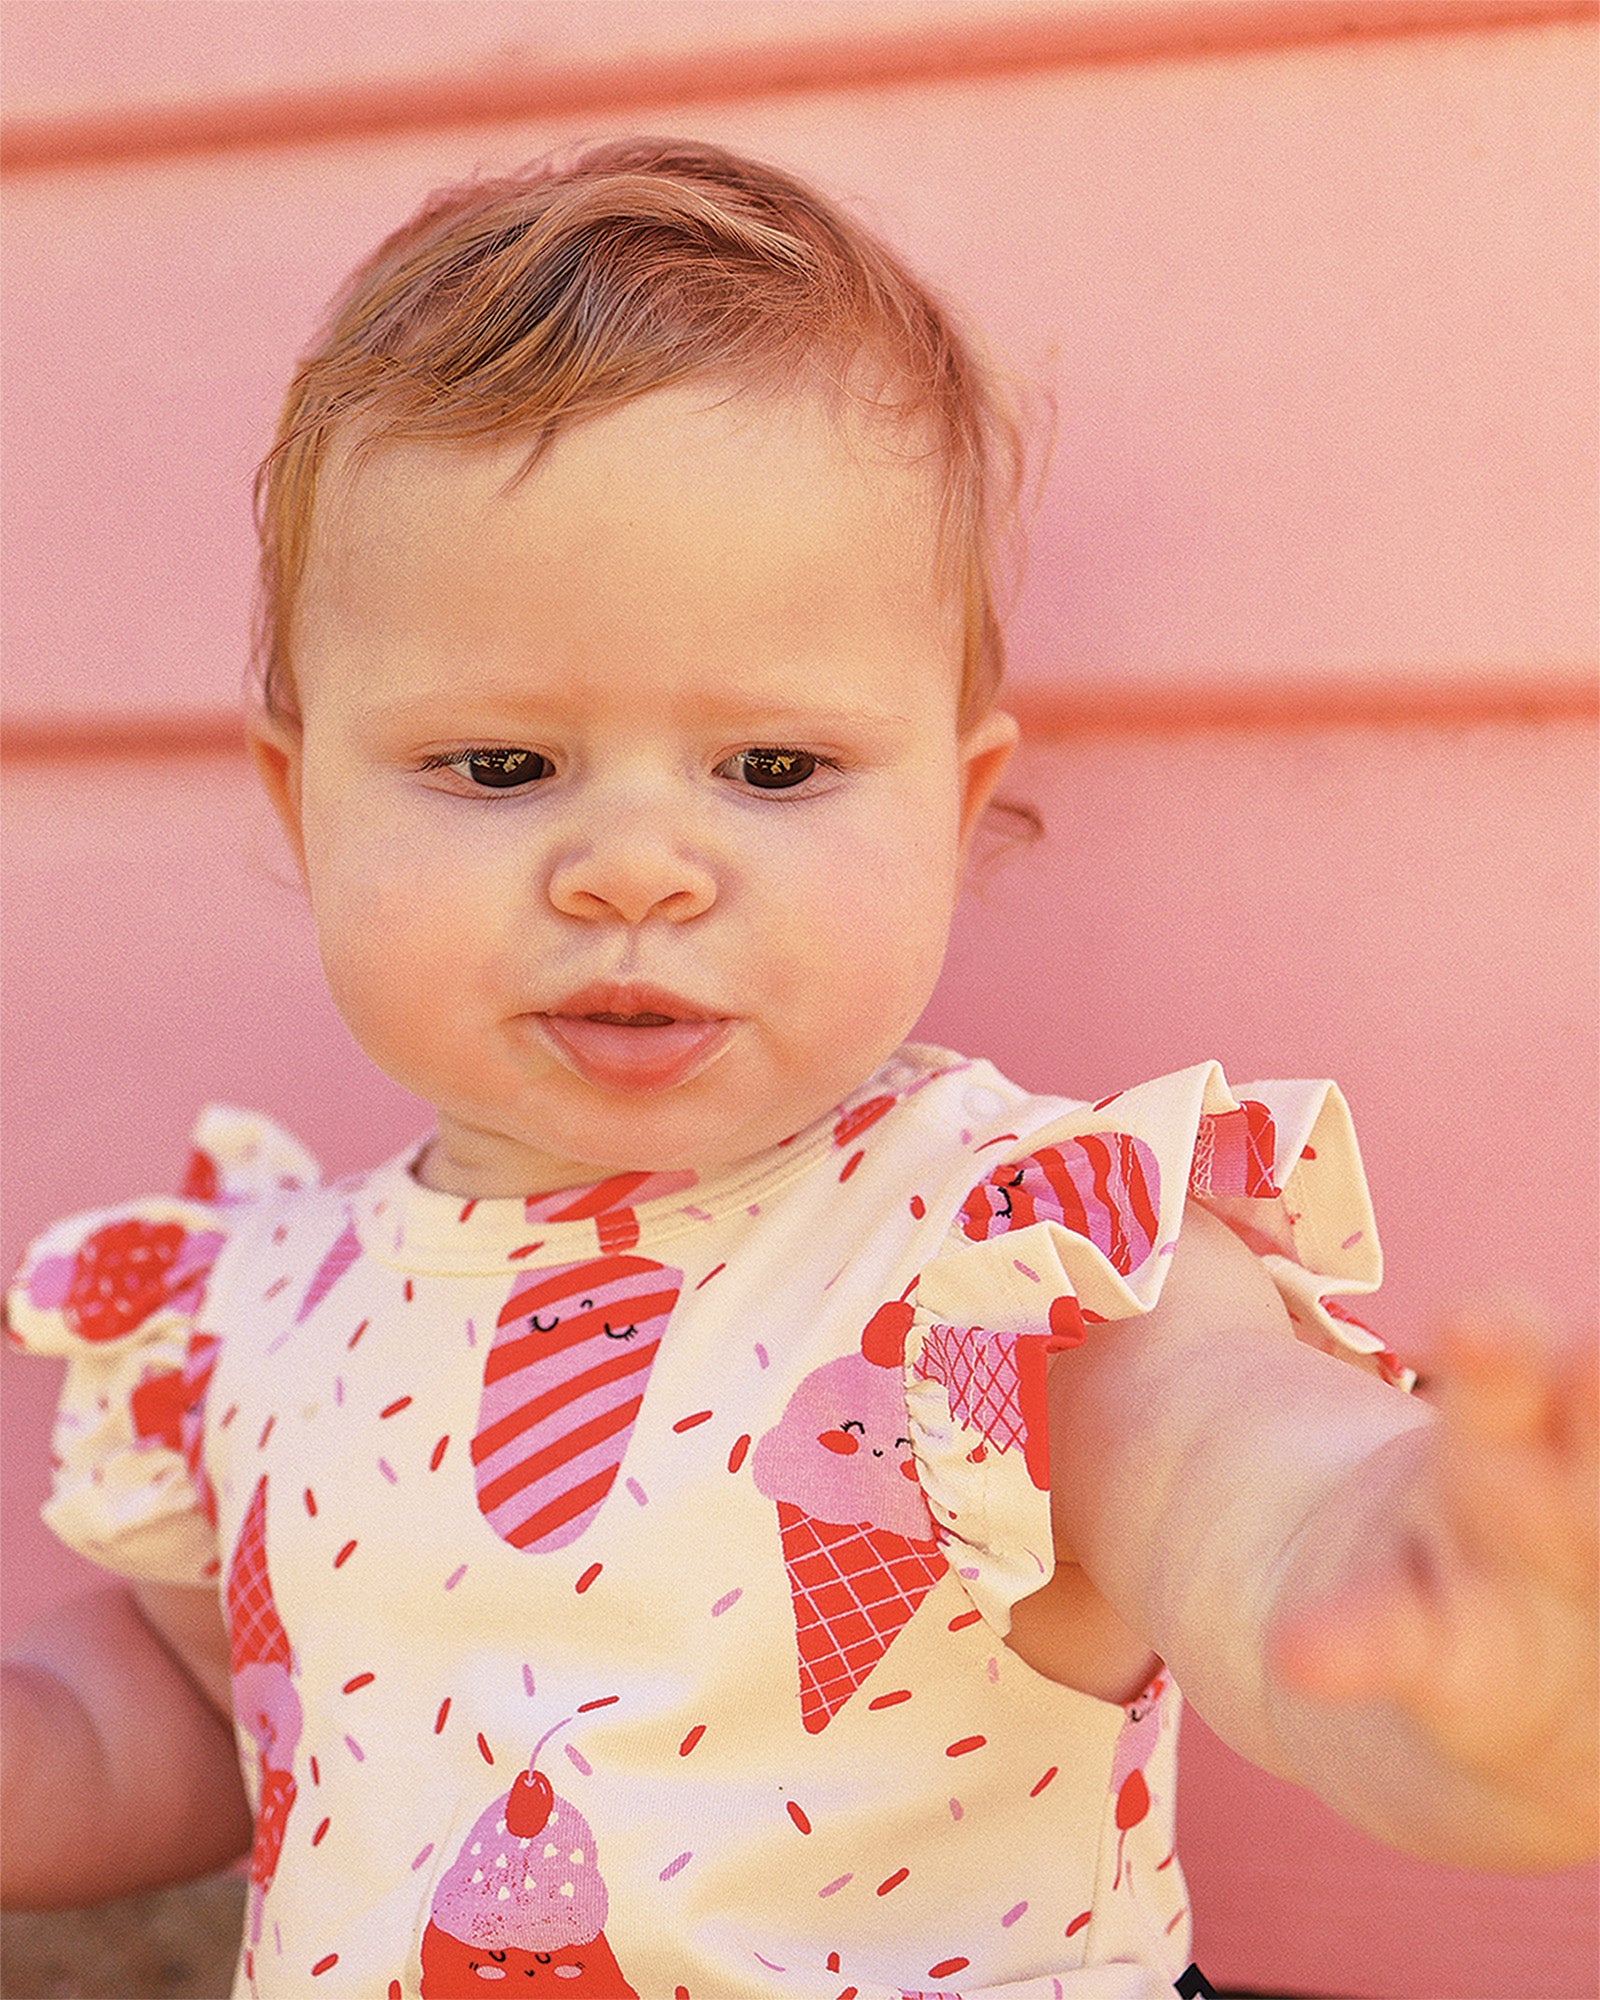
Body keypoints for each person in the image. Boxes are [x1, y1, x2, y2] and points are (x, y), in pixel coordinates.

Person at [1, 137, 1593, 2000]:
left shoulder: (997, 1273)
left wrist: (1451, 1627)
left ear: (955, 808)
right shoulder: (260, 1309)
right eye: (500, 766)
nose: (635, 869)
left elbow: (1256, 1507)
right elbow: (215, 1713)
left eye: (772, 769)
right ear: (302, 799)